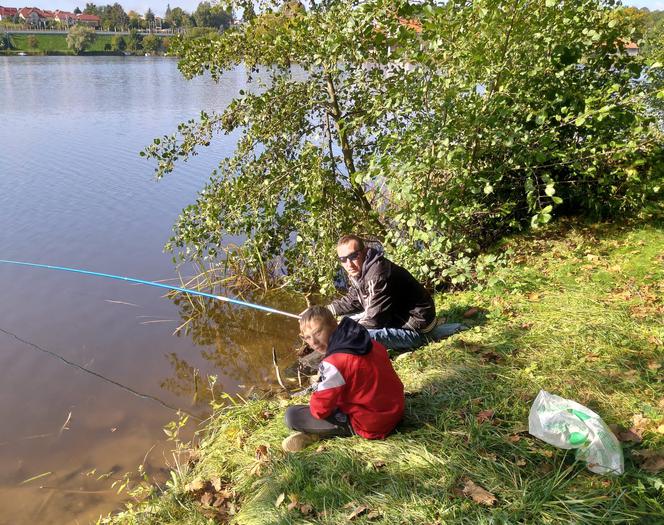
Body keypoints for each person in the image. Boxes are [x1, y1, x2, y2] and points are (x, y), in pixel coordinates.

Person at [282, 306, 404, 452]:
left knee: (292, 416)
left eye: (318, 332)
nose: (313, 342)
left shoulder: (335, 362)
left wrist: (318, 393)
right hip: (396, 408)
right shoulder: (365, 340)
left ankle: (317, 434)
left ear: (334, 325)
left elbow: (319, 410)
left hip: (374, 423)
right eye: (308, 337)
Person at [327, 234, 441, 350]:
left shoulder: (377, 275)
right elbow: (353, 300)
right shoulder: (362, 269)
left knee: (351, 338)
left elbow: (374, 321)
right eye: (343, 259)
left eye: (353, 256)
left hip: (417, 329)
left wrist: (343, 333)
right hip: (396, 317)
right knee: (344, 321)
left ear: (365, 251)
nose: (348, 264)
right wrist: (326, 311)